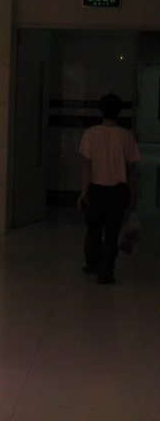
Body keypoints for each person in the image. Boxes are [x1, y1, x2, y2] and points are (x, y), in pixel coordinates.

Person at [77, 93, 140, 284]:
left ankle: (93, 264)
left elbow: (86, 165)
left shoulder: (91, 134)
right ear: (119, 111)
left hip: (96, 189)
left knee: (93, 230)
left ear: (101, 110)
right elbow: (131, 169)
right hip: (118, 191)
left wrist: (83, 191)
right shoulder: (126, 136)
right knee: (112, 234)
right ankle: (106, 271)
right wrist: (133, 193)